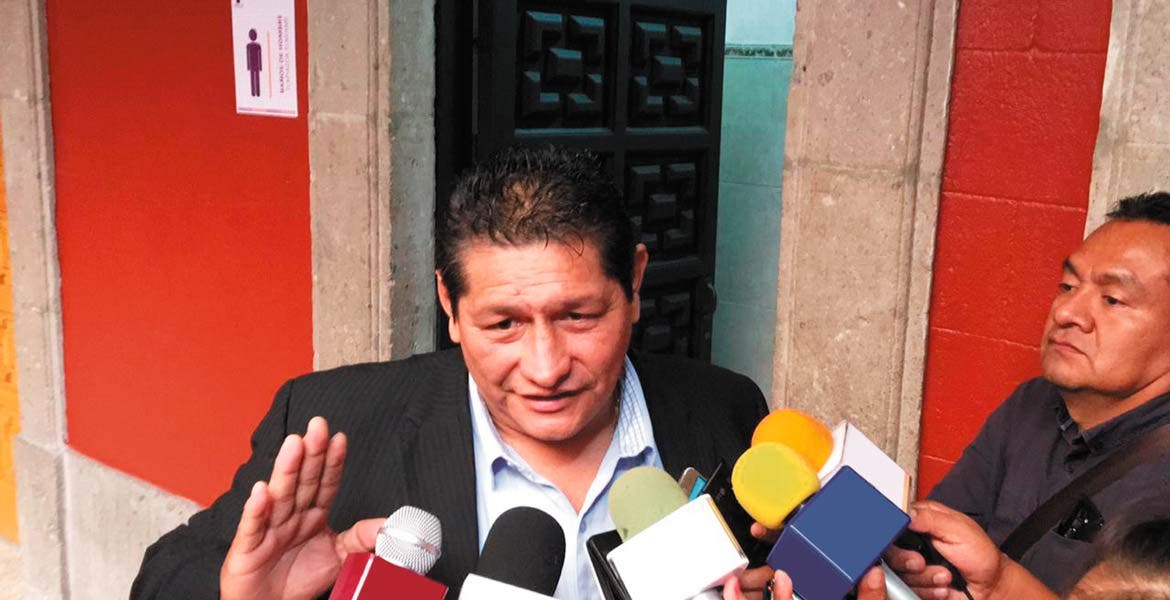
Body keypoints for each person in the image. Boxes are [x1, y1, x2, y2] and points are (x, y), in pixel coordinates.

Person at [131, 145, 774, 600]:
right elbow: (160, 579)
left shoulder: (727, 409)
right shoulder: (334, 422)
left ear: (633, 282)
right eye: (504, 324)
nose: (545, 368)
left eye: (578, 316)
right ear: (450, 304)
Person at [892, 192, 1170, 596]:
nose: (1066, 312)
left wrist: (1000, 583)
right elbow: (940, 545)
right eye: (1067, 285)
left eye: (1112, 299)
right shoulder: (1033, 403)